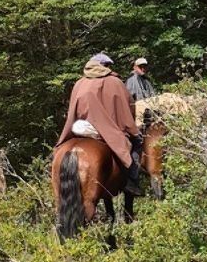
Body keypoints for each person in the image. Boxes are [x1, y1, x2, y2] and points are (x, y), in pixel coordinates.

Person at [57, 53, 143, 195]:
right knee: (137, 141)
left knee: (60, 151)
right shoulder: (115, 82)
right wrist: (130, 128)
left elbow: (72, 109)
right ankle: (131, 181)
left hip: (81, 128)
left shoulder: (79, 83)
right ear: (105, 66)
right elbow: (128, 108)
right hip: (105, 130)